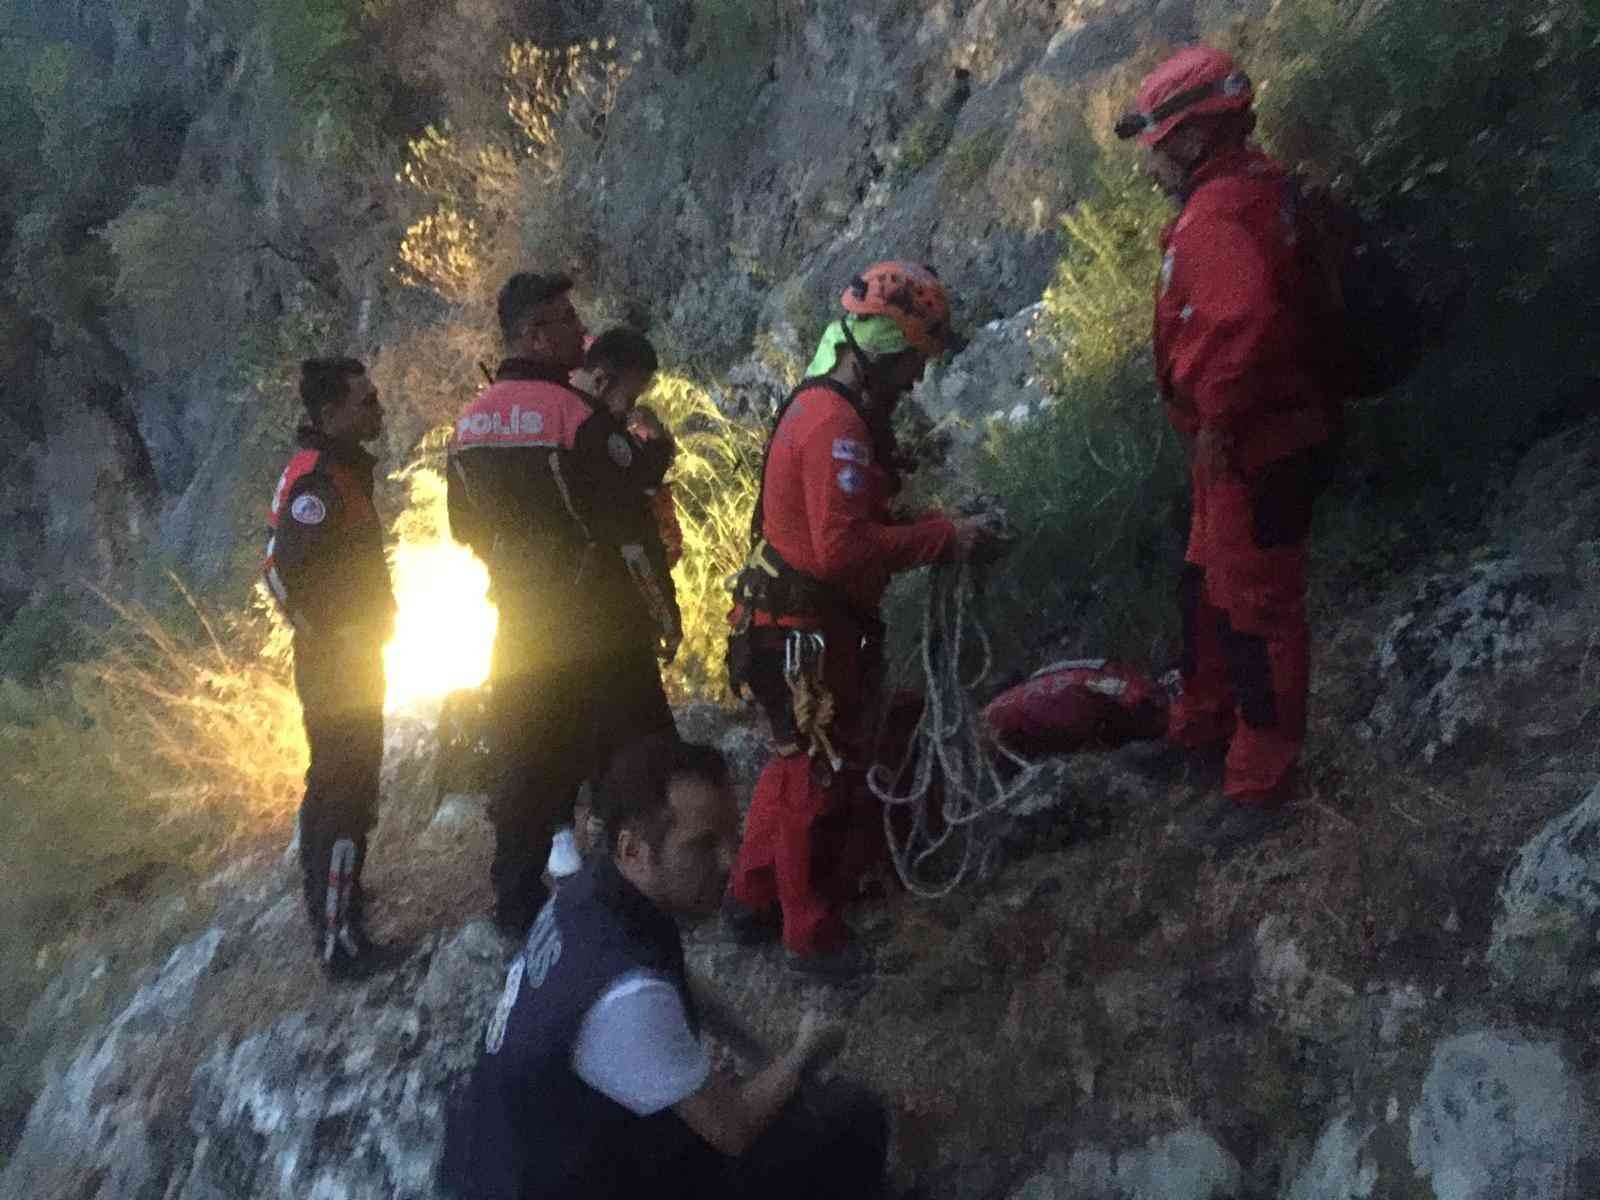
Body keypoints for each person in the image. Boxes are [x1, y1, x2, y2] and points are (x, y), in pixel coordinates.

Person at [439, 733, 890, 1200]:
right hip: (553, 1182)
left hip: (511, 1150)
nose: (729, 862)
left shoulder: (591, 892)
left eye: (731, 837)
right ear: (634, 849)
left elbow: (680, 981)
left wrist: (764, 1057)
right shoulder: (628, 996)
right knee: (851, 1120)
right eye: (703, 846)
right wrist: (803, 1053)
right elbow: (733, 1128)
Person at [723, 261, 997, 979]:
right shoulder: (836, 424)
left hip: (786, 622)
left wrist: (919, 523)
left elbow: (840, 526)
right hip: (805, 632)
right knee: (820, 773)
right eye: (911, 361)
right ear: (885, 348)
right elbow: (841, 550)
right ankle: (810, 934)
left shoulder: (821, 404)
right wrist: (942, 538)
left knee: (793, 762)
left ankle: (752, 896)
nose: (915, 378)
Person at [1116, 46, 1344, 852]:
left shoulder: (1217, 216)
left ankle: (1260, 782)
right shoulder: (1256, 189)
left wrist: (1213, 419)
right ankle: (1204, 726)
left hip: (1253, 444)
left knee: (1255, 611)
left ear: (1189, 138)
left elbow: (1242, 326)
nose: (1151, 167)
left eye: (1157, 149)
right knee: (1207, 589)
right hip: (1255, 438)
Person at [447, 274, 680, 936]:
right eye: (567, 320)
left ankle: (516, 909)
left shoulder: (469, 425)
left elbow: (464, 529)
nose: (582, 331)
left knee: (526, 763)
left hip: (520, 621)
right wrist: (662, 613)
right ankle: (647, 886)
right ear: (533, 334)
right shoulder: (574, 418)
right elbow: (629, 522)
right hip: (599, 622)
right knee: (639, 752)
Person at [263, 358, 395, 978]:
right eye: (365, 401)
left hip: (347, 658)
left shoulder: (334, 469)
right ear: (330, 413)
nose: (377, 408)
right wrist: (333, 636)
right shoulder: (319, 481)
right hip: (339, 666)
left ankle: (335, 905)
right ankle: (340, 941)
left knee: (336, 785)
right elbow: (279, 572)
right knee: (346, 791)